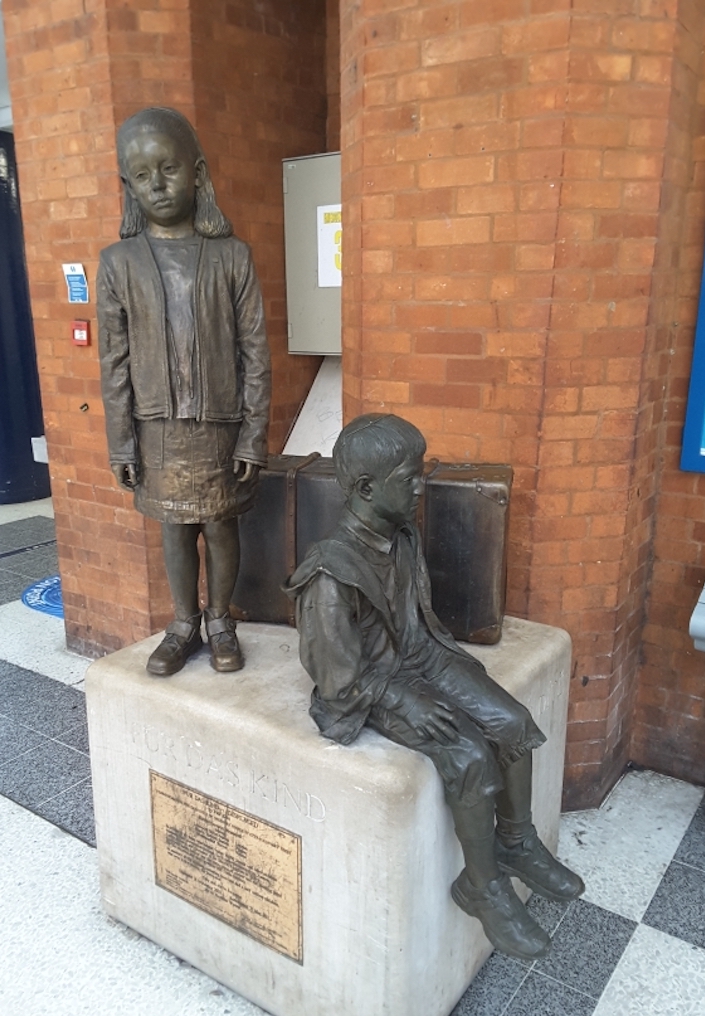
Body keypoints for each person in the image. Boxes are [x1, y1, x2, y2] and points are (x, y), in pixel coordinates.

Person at [285, 414, 583, 960]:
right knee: (467, 753)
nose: (422, 486)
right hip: (372, 686)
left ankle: (516, 841)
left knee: (513, 723)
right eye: (411, 477)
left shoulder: (401, 534)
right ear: (368, 490)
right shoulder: (329, 573)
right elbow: (334, 675)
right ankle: (481, 885)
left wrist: (442, 670)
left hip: (421, 658)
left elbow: (416, 624)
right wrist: (399, 699)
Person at [97, 107, 271, 676]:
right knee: (176, 524)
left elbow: (255, 356)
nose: (157, 185)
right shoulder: (118, 263)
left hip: (220, 427)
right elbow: (114, 362)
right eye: (142, 175)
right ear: (127, 184)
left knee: (220, 523)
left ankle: (220, 619)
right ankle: (182, 623)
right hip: (157, 428)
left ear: (196, 172)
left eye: (168, 168)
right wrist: (122, 444)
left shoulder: (231, 257)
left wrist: (253, 434)